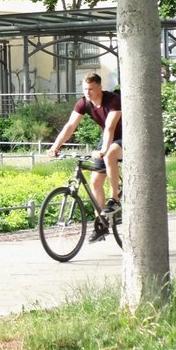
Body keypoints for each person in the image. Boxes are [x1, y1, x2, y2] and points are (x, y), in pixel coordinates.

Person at [47, 73, 123, 239]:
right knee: (95, 181)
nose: (87, 92)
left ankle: (115, 200)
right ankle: (101, 225)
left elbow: (110, 128)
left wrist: (103, 150)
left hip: (126, 137)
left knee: (110, 155)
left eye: (91, 89)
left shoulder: (113, 100)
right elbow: (70, 125)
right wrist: (55, 146)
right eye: (85, 89)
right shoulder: (84, 103)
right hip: (107, 139)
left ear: (100, 88)